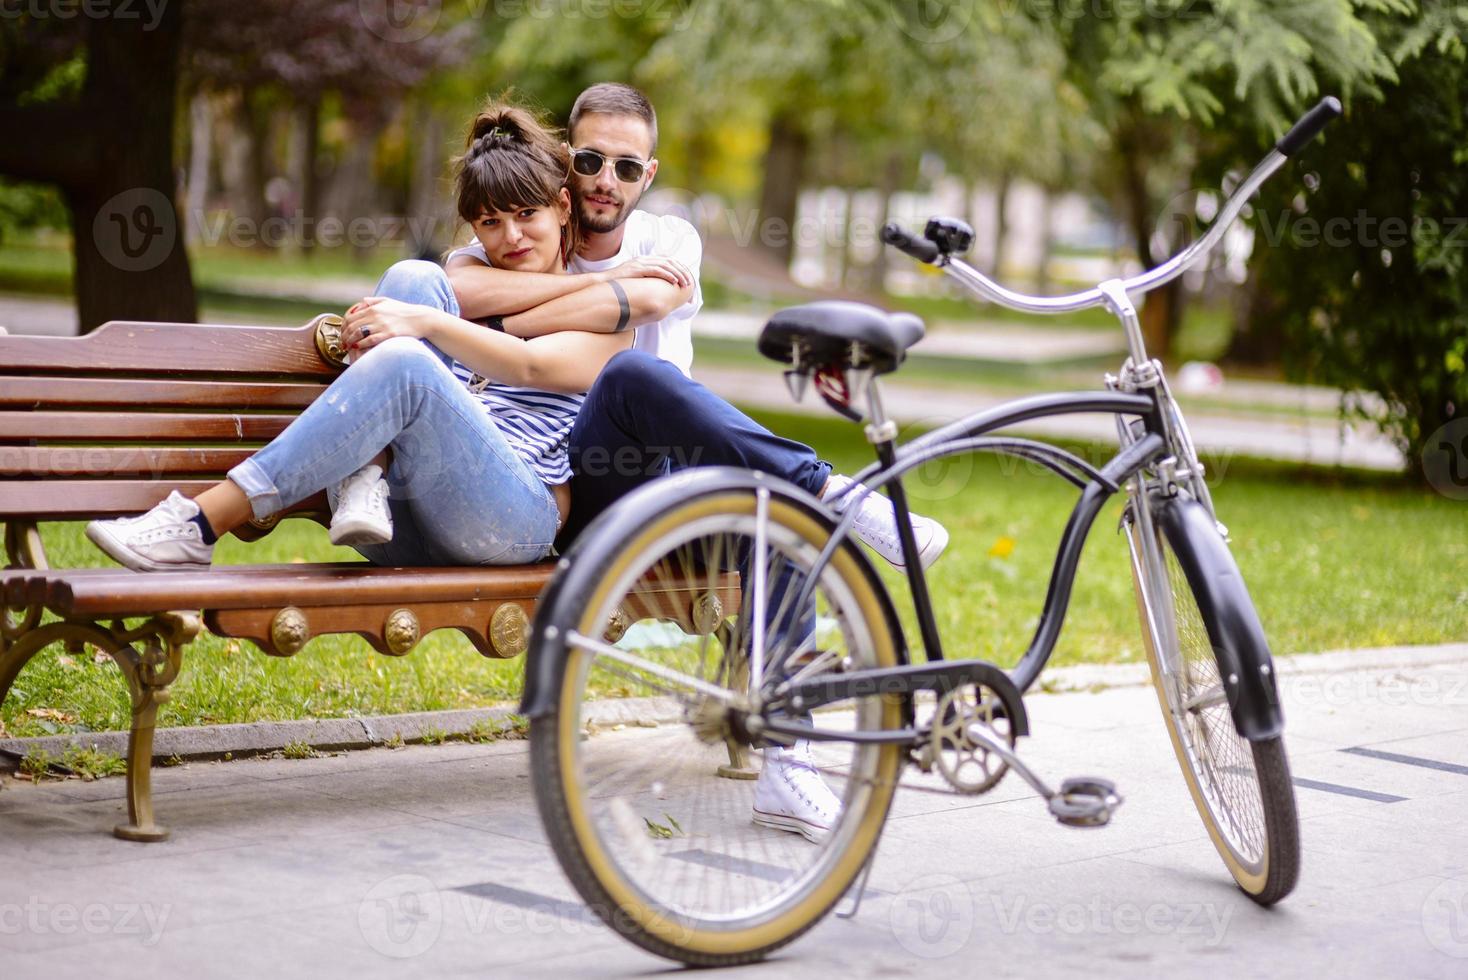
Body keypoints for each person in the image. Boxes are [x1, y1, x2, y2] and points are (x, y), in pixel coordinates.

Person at [447, 83, 949, 844]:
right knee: (632, 376)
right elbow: (461, 285)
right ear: (562, 168)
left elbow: (648, 302)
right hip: (579, 487)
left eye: (625, 166)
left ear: (648, 174)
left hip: (680, 482)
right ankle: (833, 484)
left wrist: (523, 307)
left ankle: (788, 761)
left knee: (776, 512)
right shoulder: (521, 231)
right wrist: (606, 295)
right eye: (588, 160)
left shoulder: (671, 238)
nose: (604, 180)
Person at [85, 101, 635, 572]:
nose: (511, 236)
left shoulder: (610, 317)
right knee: (411, 278)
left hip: (511, 521)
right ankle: (365, 475)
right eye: (490, 223)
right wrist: (421, 312)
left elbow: (531, 367)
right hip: (397, 520)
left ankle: (201, 522)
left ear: (563, 208)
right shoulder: (466, 281)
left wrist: (424, 324)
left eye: (526, 214)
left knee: (407, 356)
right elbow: (446, 284)